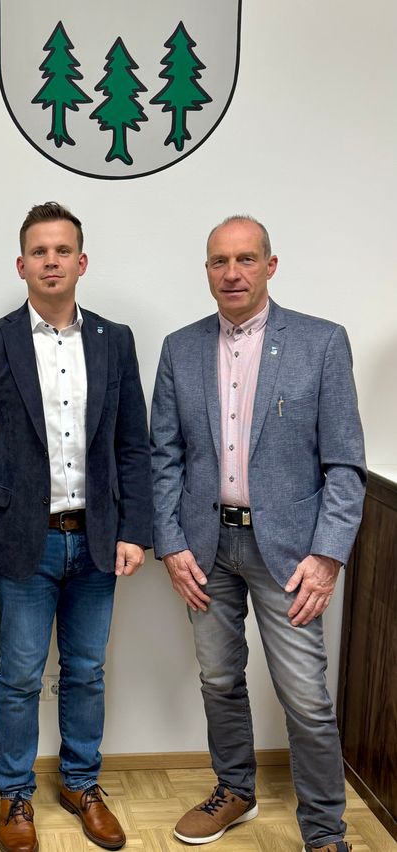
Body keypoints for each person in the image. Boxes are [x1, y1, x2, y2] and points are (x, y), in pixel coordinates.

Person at [150, 215, 365, 852]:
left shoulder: (321, 343)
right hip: (205, 547)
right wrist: (171, 541)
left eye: (246, 260)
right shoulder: (179, 348)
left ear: (271, 265)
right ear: (207, 271)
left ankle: (326, 832)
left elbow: (345, 462)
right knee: (218, 677)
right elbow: (163, 454)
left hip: (292, 554)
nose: (232, 273)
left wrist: (328, 556)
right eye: (219, 261)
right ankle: (235, 789)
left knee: (305, 698)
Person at [0, 202, 153, 852]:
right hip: (22, 541)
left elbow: (132, 445)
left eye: (62, 250)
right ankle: (15, 796)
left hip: (96, 541)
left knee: (86, 671)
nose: (51, 260)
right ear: (21, 264)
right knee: (18, 673)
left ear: (81, 262)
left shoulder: (114, 339)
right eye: (39, 251)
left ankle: (81, 784)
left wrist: (134, 529)